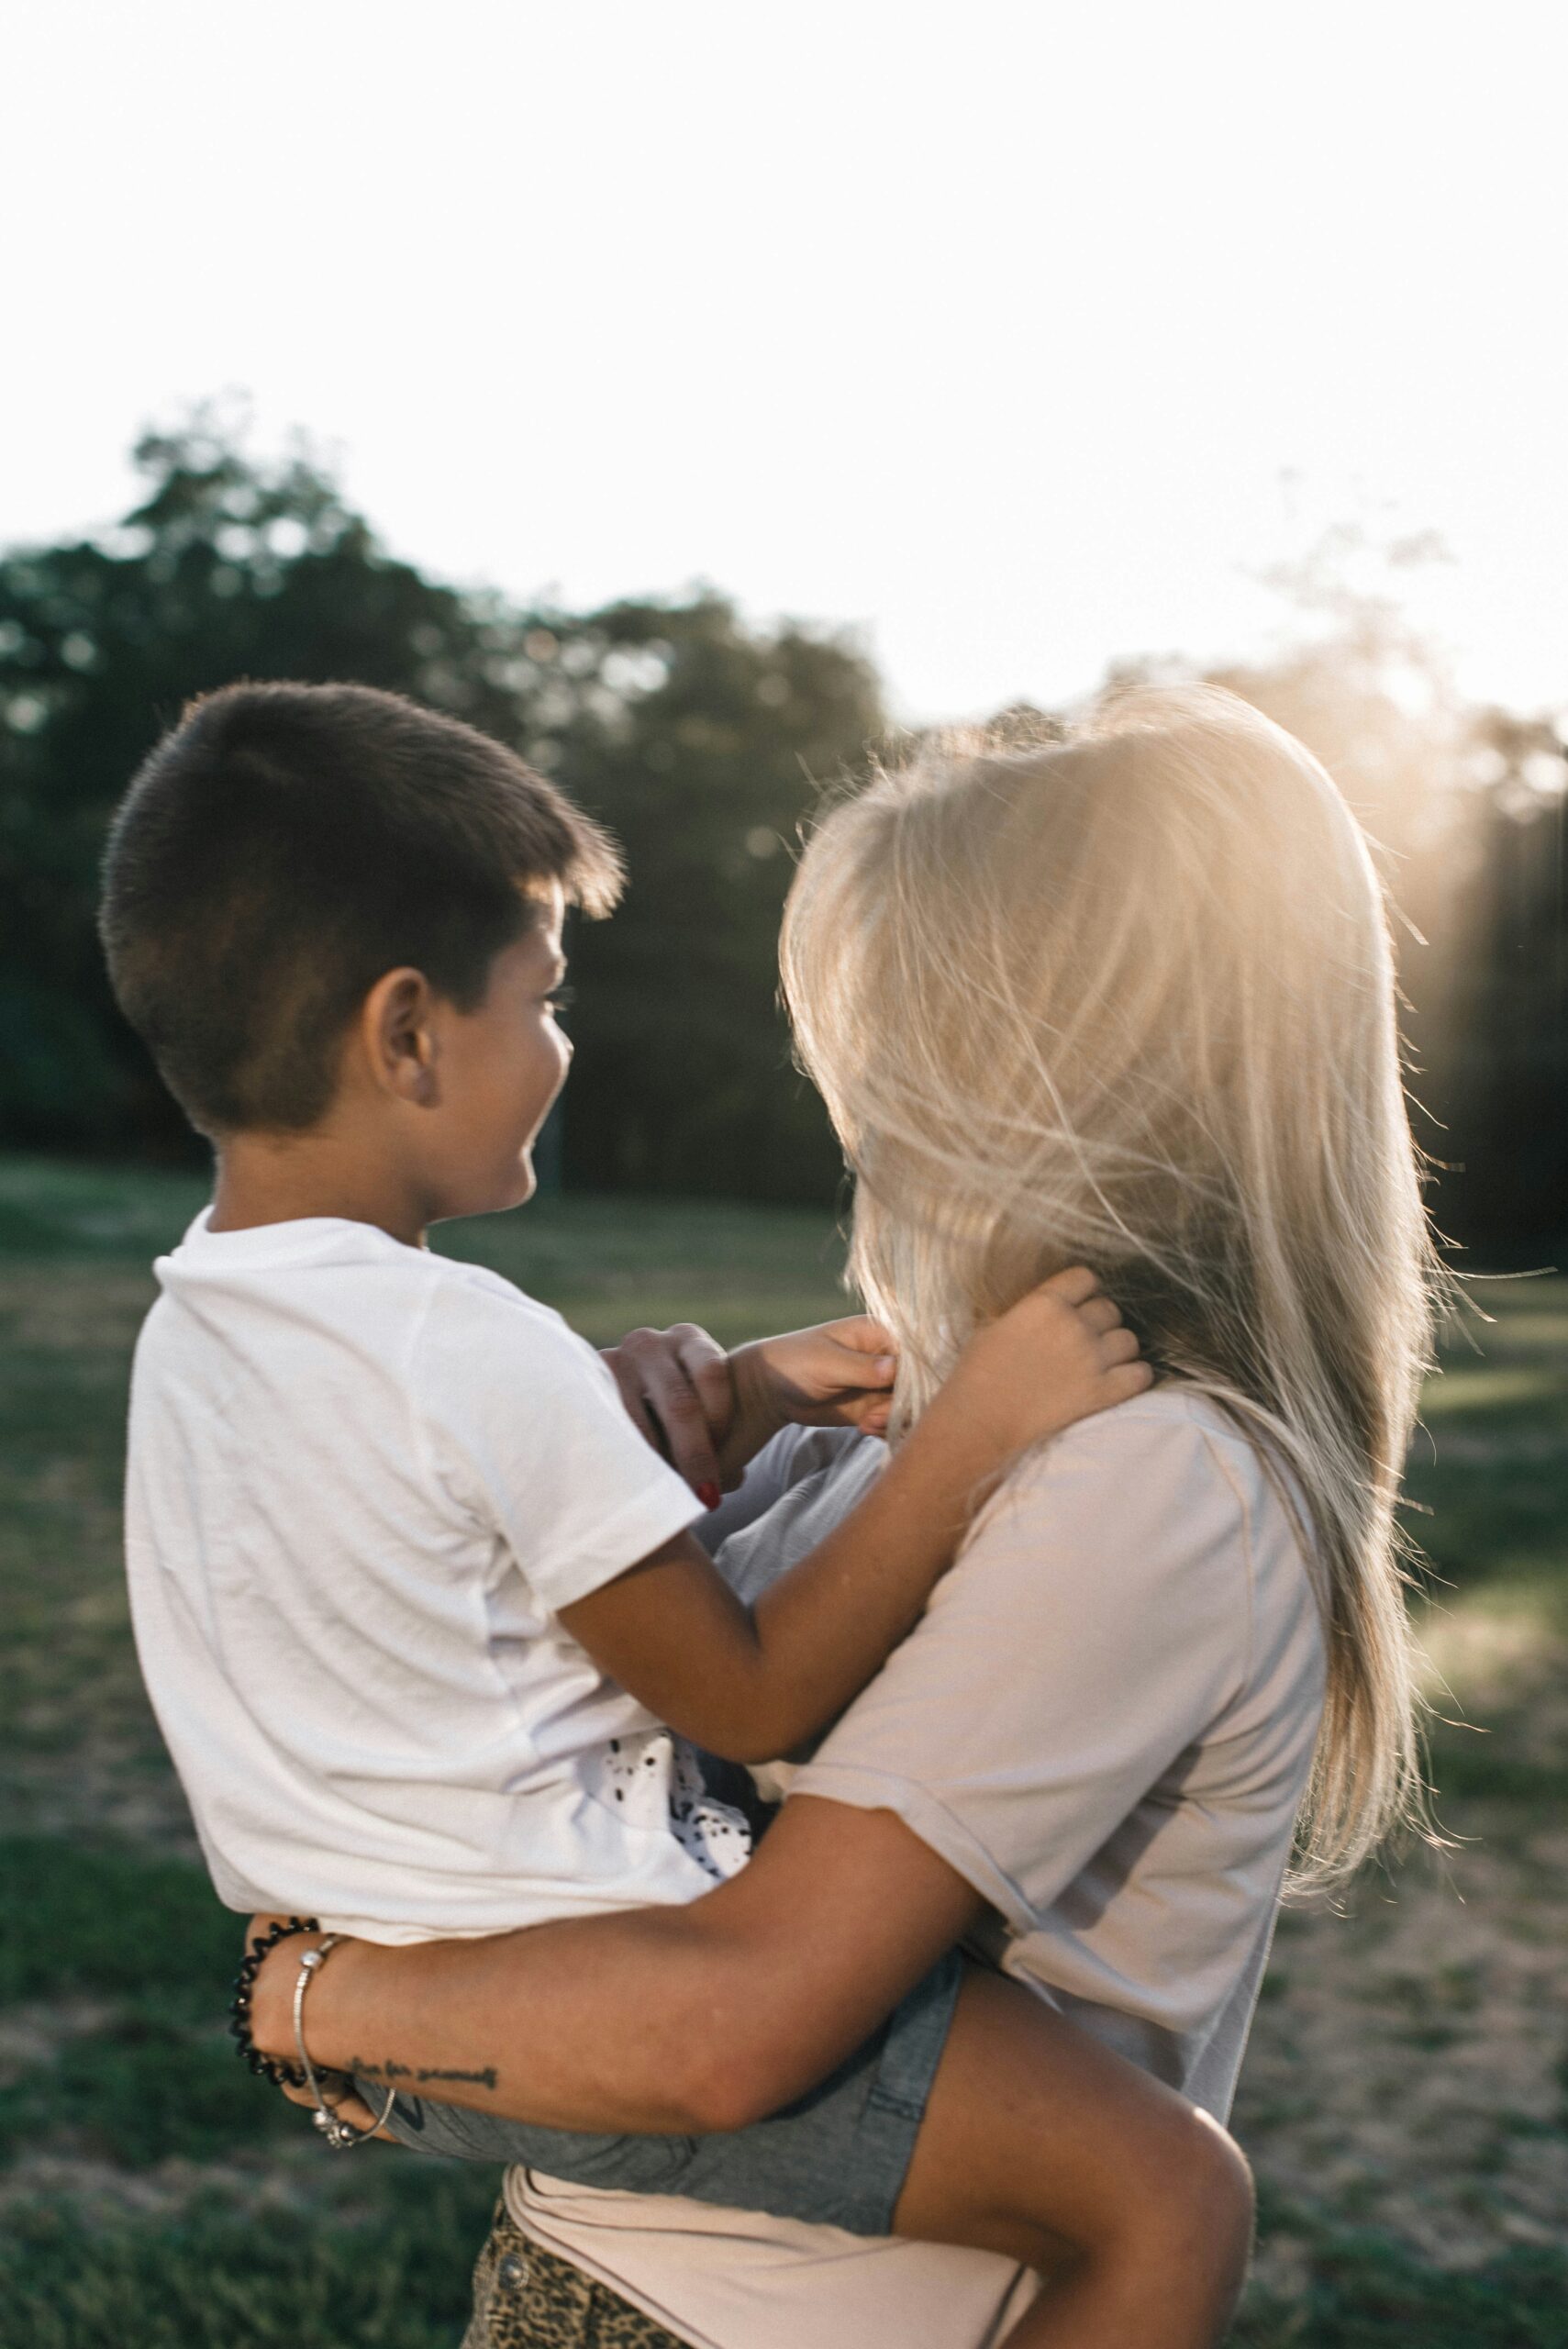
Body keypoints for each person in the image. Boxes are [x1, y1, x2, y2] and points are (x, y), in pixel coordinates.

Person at [241, 685, 1440, 2349]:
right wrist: (658, 1456)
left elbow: (736, 2029)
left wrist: (317, 2000)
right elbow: (562, 1737)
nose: (852, 1091)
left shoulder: (1151, 1473)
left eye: (897, 1018)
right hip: (587, 2274)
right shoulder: (924, 1410)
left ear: (1050, 1058)